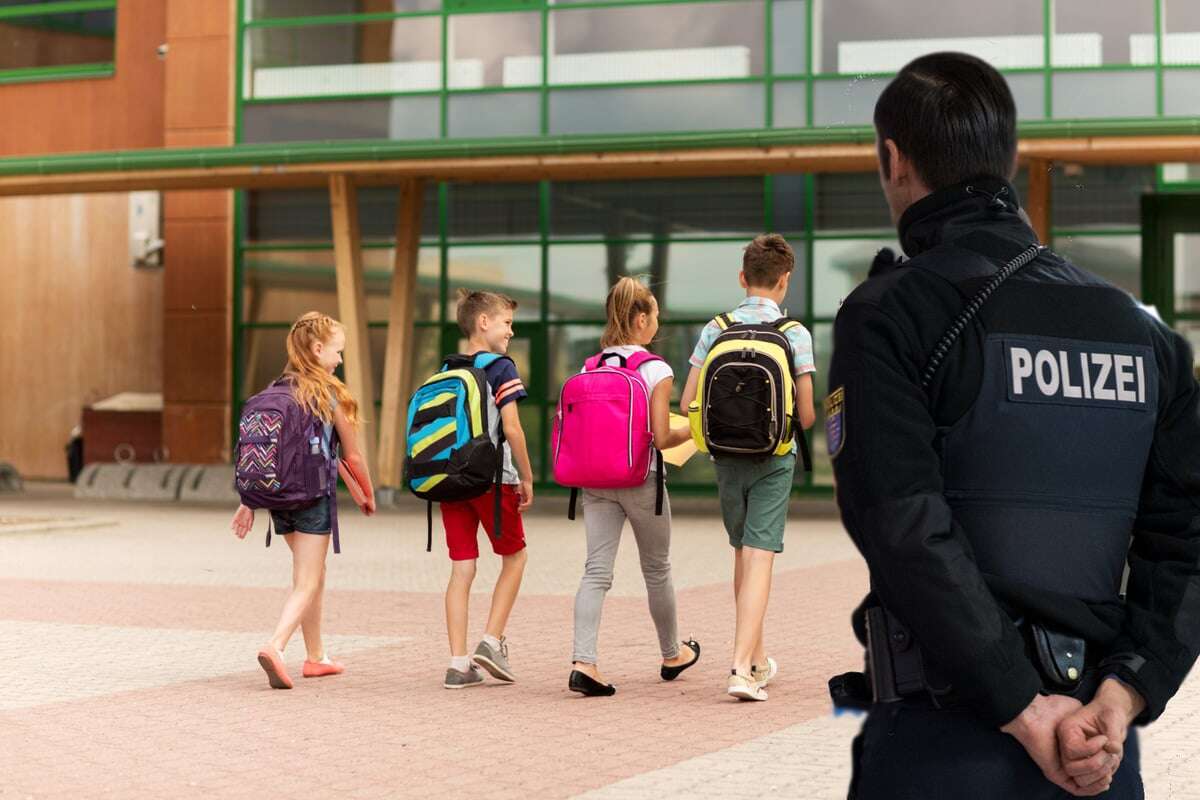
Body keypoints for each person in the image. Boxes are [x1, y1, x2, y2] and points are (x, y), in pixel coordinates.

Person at [827, 52, 1200, 799]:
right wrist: (1124, 694)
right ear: (1009, 157)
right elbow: (1186, 539)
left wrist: (1024, 709)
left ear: (894, 159)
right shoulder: (1144, 336)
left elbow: (903, 525)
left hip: (946, 748)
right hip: (1096, 752)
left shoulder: (891, 314)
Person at [680, 234, 817, 701]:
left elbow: (688, 401)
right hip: (774, 458)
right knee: (760, 556)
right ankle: (740, 668)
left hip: (724, 456)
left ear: (742, 278)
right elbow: (808, 413)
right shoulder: (794, 334)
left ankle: (757, 659)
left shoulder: (715, 329)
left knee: (742, 552)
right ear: (785, 281)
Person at [567, 277, 701, 697]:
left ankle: (583, 662)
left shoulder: (589, 367)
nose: (658, 322)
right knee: (657, 569)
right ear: (641, 318)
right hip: (642, 480)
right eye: (655, 314)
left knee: (595, 572)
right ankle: (671, 653)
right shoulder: (655, 368)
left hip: (595, 482)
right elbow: (661, 437)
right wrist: (694, 432)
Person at [232, 311, 377, 689]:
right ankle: (276, 646)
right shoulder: (329, 394)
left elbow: (261, 452)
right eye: (337, 352)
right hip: (312, 496)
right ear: (316, 349)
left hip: (279, 498)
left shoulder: (274, 391)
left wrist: (248, 500)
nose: (340, 360)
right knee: (308, 580)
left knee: (310, 575)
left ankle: (316, 657)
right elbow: (353, 455)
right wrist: (367, 490)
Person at [440, 289, 534, 689]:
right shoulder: (500, 367)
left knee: (462, 568)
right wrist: (527, 476)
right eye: (506, 323)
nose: (511, 332)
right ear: (483, 323)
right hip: (492, 481)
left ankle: (458, 664)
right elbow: (511, 427)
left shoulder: (448, 366)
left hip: (449, 480)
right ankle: (491, 641)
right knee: (515, 558)